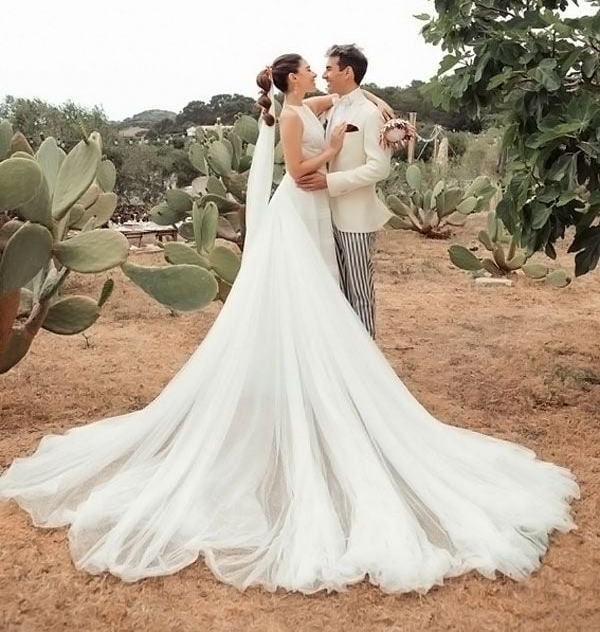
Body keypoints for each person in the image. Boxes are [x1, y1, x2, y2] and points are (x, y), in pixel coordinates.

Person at [0, 54, 578, 595]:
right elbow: (300, 172)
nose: (317, 73)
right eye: (309, 68)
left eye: (323, 68)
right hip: (300, 208)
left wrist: (374, 111)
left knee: (315, 297)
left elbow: (350, 100)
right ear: (293, 79)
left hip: (313, 217)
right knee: (307, 298)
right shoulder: (297, 116)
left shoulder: (307, 106)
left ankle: (314, 382)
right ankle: (315, 386)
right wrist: (335, 153)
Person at [296, 44, 394, 337]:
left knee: (360, 293)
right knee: (337, 292)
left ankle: (368, 363)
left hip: (355, 218)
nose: (324, 74)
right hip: (327, 216)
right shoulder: (335, 105)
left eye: (329, 68)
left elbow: (379, 168)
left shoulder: (370, 114)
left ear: (347, 72)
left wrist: (330, 182)